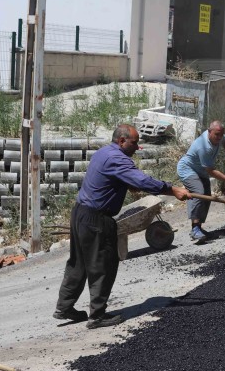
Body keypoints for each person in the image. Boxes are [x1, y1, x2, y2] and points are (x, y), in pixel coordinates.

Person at [55, 124, 192, 327]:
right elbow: (143, 180)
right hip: (96, 219)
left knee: (78, 262)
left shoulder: (104, 152)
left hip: (80, 213)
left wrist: (127, 184)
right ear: (121, 140)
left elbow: (111, 178)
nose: (137, 147)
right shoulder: (118, 158)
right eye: (134, 143)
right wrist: (173, 190)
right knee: (104, 264)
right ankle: (98, 316)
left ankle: (64, 307)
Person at [177, 120, 225, 244]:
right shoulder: (203, 145)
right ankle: (194, 229)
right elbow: (211, 170)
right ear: (209, 132)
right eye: (216, 135)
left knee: (207, 197)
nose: (219, 137)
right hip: (187, 169)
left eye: (221, 134)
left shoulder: (220, 134)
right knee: (198, 192)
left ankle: (199, 227)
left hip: (200, 170)